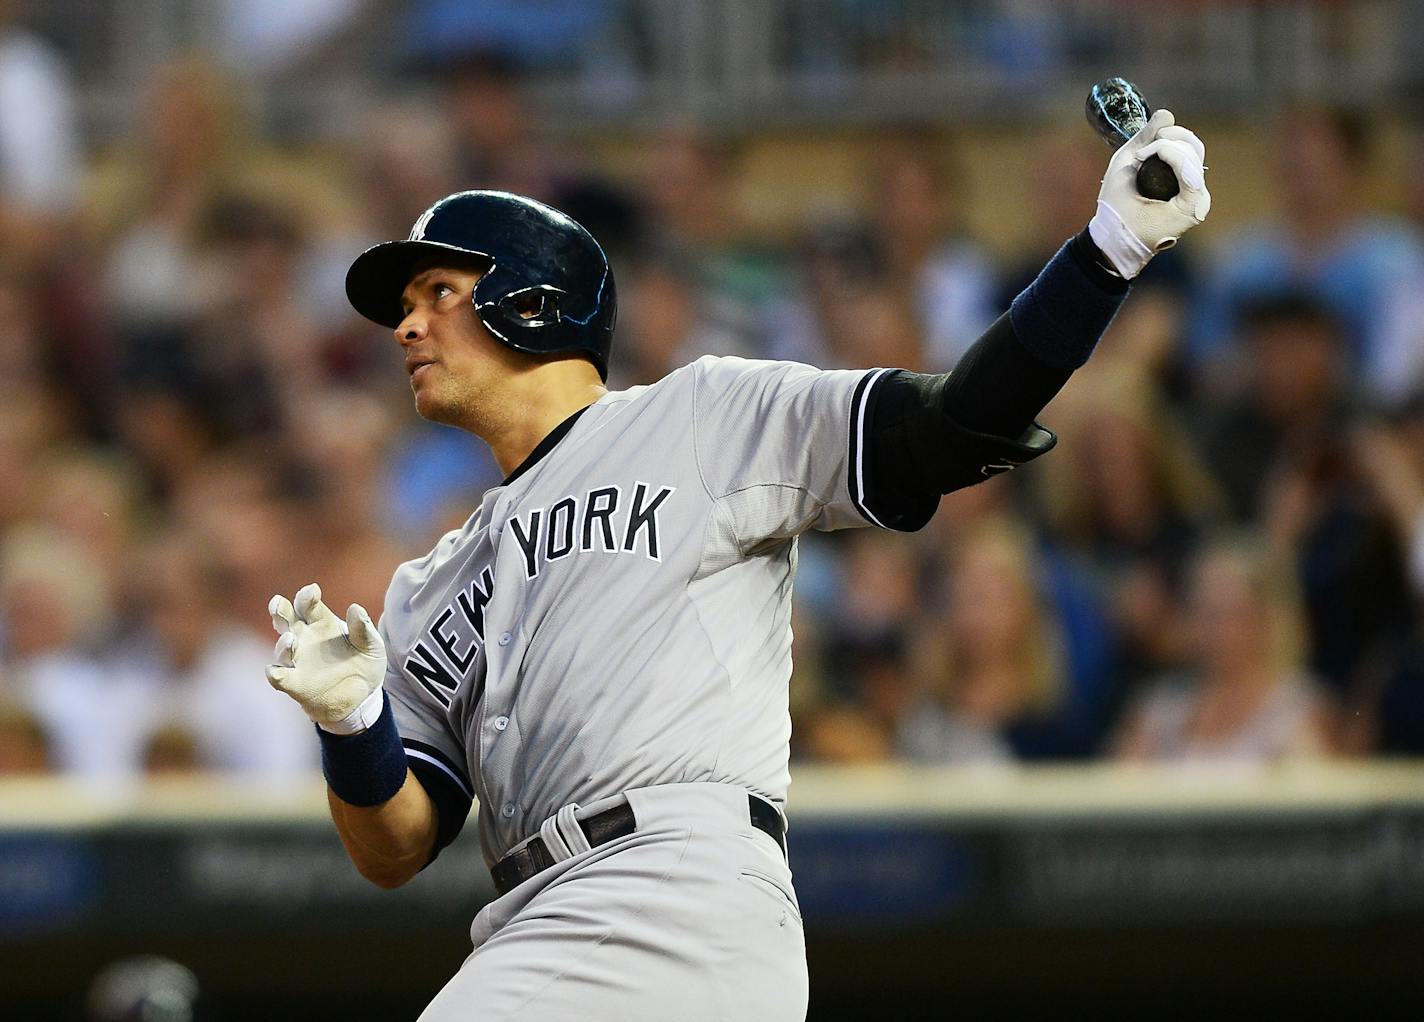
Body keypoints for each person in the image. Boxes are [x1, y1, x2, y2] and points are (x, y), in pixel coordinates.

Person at [263, 111, 1210, 1019]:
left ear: (535, 302)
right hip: (539, 914)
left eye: (437, 294)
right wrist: (351, 726)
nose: (406, 327)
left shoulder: (698, 418)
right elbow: (395, 847)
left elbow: (949, 426)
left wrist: (1107, 251)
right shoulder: (429, 583)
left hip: (667, 884)